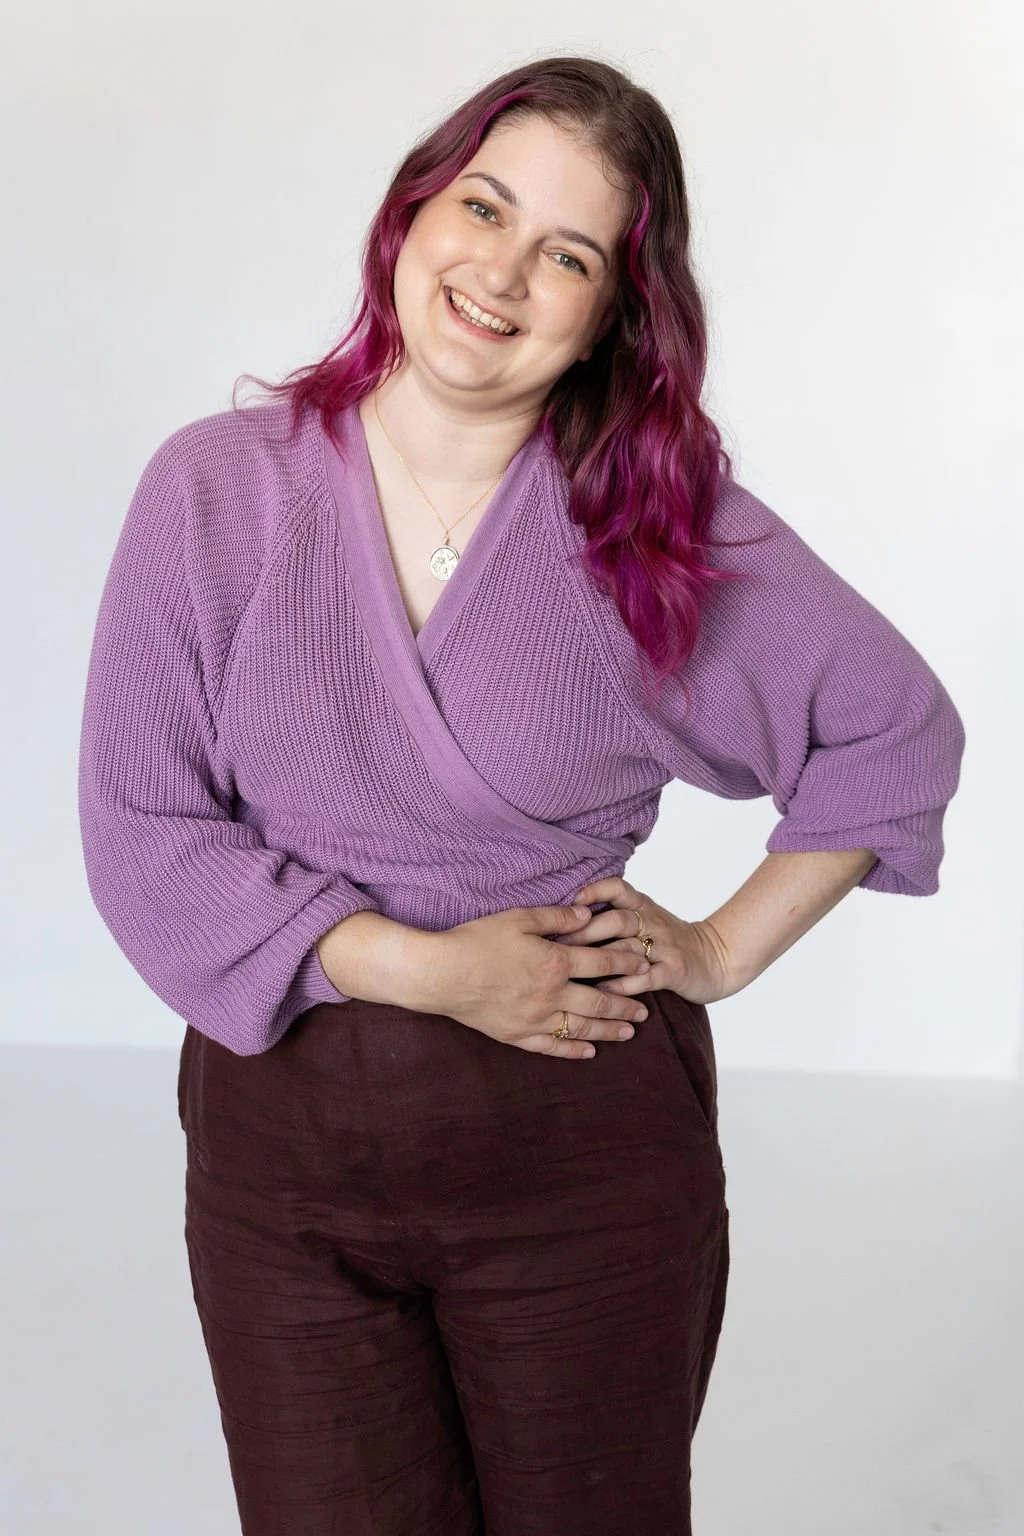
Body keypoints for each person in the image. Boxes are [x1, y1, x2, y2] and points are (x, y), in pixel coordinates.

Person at [77, 54, 965, 1536]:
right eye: (482, 207)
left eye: (566, 255)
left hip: (582, 1160)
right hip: (285, 1170)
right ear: (412, 210)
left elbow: (892, 731)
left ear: (614, 311)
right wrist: (427, 970)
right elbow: (142, 829)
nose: (499, 271)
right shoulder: (214, 492)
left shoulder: (654, 536)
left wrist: (722, 950)